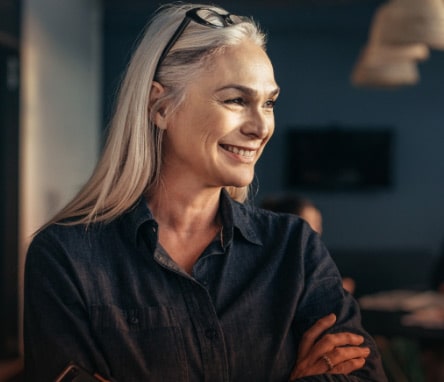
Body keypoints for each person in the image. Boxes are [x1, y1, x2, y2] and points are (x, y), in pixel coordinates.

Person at [23, 3, 387, 381]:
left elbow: (361, 374)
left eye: (269, 103)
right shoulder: (65, 257)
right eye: (235, 100)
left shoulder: (294, 247)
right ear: (159, 105)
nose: (261, 126)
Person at [260, 194, 356, 295]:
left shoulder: (316, 257)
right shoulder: (275, 262)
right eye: (310, 223)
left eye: (318, 224)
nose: (317, 230)